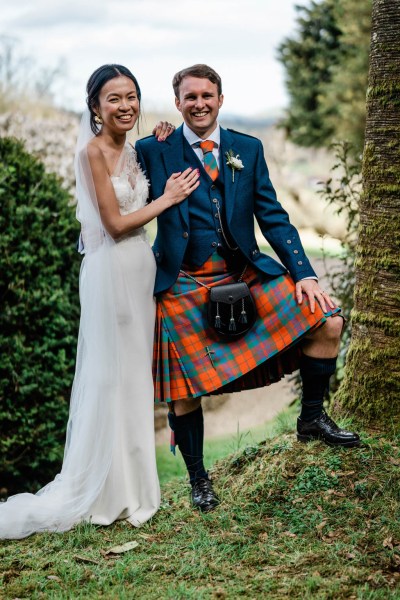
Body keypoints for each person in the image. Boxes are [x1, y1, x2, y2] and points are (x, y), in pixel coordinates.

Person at [135, 64, 360, 513]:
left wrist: (306, 275)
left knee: (328, 322)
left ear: (221, 99)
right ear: (177, 102)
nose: (199, 103)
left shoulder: (247, 148)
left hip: (244, 272)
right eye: (190, 97)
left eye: (207, 95)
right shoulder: (153, 149)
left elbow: (273, 217)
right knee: (182, 386)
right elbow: (123, 189)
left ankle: (311, 419)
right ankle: (199, 479)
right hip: (182, 279)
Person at [0, 64, 199, 539]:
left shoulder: (134, 149)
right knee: (110, 378)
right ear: (95, 107)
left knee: (134, 379)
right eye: (114, 98)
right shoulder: (91, 153)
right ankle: (107, 493)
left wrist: (165, 139)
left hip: (139, 271)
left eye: (132, 96)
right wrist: (168, 198)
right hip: (110, 273)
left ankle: (137, 491)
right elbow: (114, 224)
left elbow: (152, 167)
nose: (126, 105)